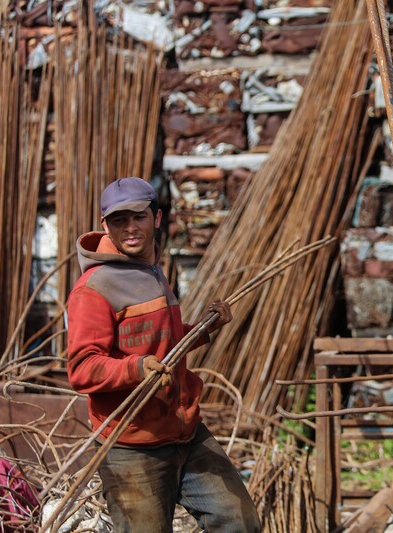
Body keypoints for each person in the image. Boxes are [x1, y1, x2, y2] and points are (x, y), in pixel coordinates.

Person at [66, 177, 260, 533]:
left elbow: (162, 346)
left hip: (185, 433)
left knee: (240, 523)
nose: (129, 228)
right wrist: (136, 369)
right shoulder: (94, 288)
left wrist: (203, 329)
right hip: (132, 445)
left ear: (156, 218)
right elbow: (82, 368)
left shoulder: (152, 270)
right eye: (118, 221)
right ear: (104, 223)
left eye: (138, 217)